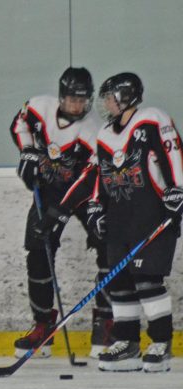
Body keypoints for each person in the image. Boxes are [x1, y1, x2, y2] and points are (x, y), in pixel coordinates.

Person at [38, 73, 183, 372]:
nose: (104, 103)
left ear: (125, 97)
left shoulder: (152, 120)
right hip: (120, 219)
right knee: (120, 282)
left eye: (108, 96)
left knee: (147, 281)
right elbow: (93, 177)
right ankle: (127, 344)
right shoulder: (104, 134)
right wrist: (75, 209)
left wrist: (177, 192)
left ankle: (160, 343)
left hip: (152, 215)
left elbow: (174, 155)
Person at [10, 67, 110, 359]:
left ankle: (105, 320)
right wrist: (28, 152)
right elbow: (19, 124)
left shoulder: (93, 130)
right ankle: (43, 324)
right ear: (61, 96)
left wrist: (62, 211)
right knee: (38, 250)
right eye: (70, 99)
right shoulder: (39, 107)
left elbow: (91, 176)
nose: (76, 106)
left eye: (82, 100)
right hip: (50, 188)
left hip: (85, 193)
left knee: (107, 246)